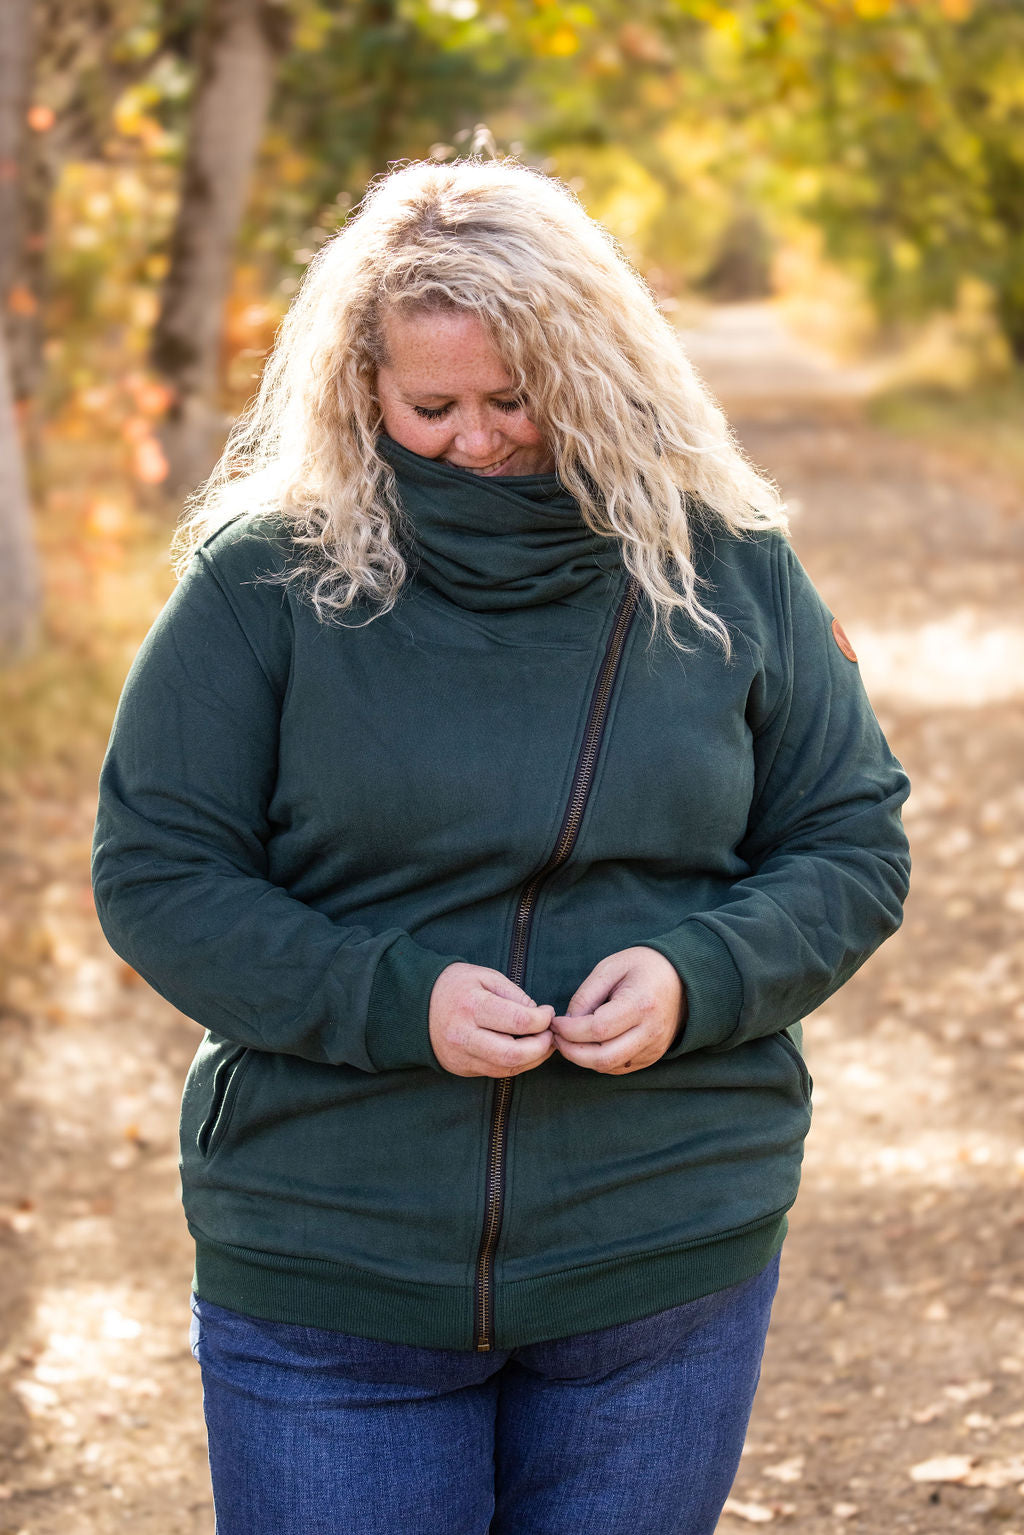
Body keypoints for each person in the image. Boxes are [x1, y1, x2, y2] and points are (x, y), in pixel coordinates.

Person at [91, 156, 911, 1535]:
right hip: (331, 1263)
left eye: (516, 398)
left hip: (660, 1253)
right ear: (362, 389)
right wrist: (390, 1000)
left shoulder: (726, 566)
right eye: (432, 407)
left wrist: (699, 976)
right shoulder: (262, 582)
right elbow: (158, 873)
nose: (476, 439)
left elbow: (849, 837)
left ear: (592, 368)